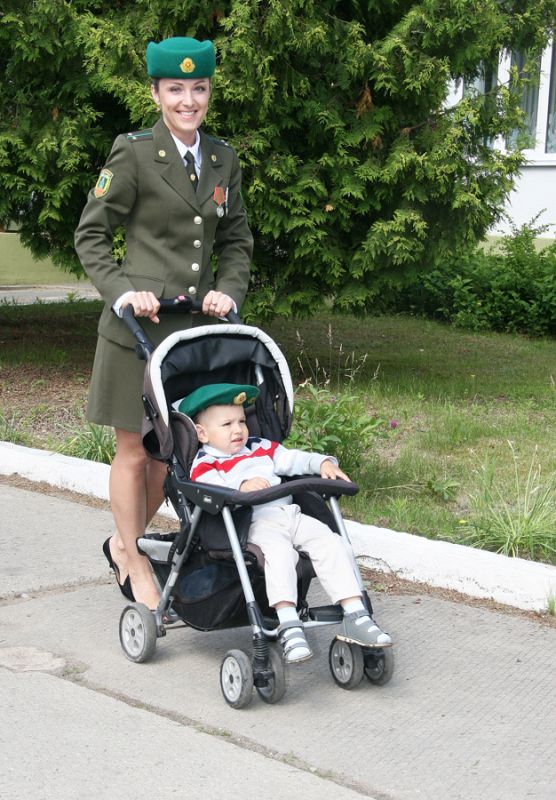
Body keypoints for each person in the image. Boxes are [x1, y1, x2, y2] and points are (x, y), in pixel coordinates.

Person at [74, 37, 253, 609]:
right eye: (175, 89)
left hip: (192, 337)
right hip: (137, 333)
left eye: (198, 88)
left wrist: (227, 291)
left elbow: (236, 239)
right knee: (134, 452)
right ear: (155, 93)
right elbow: (91, 235)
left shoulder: (222, 158)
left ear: (209, 92)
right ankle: (133, 560)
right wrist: (124, 293)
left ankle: (121, 544)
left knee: (167, 456)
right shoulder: (132, 154)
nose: (188, 100)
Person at [181, 383, 393, 664]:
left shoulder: (260, 447)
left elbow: (291, 458)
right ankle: (288, 621)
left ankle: (355, 612)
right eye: (227, 424)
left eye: (242, 421)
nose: (238, 430)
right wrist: (240, 486)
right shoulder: (206, 462)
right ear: (202, 433)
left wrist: (321, 463)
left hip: (290, 514)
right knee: (280, 554)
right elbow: (206, 486)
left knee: (330, 542)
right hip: (253, 523)